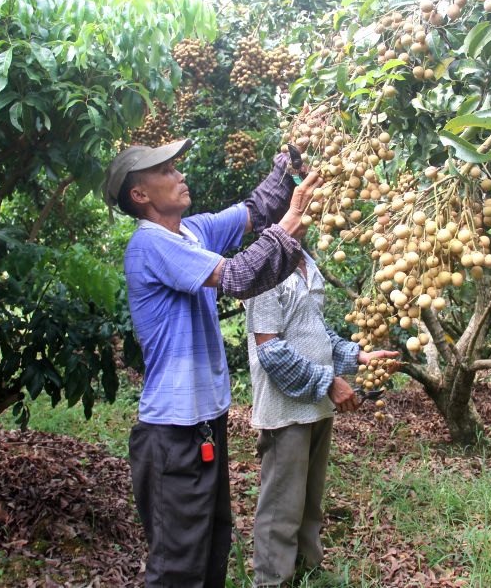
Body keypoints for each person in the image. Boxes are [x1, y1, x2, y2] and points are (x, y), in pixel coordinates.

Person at [102, 137, 323, 588]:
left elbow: (255, 209)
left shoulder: (191, 233)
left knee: (212, 547)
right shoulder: (150, 244)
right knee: (178, 564)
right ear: (140, 195)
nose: (180, 175)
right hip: (172, 433)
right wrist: (288, 227)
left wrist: (290, 157)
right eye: (166, 171)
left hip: (205, 423)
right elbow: (239, 277)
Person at [243, 249, 399, 587]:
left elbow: (316, 333)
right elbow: (271, 350)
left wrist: (358, 356)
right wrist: (327, 381)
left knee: (309, 499)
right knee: (281, 506)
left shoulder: (308, 264)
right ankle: (271, 580)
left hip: (315, 406)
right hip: (284, 412)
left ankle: (307, 570)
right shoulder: (264, 269)